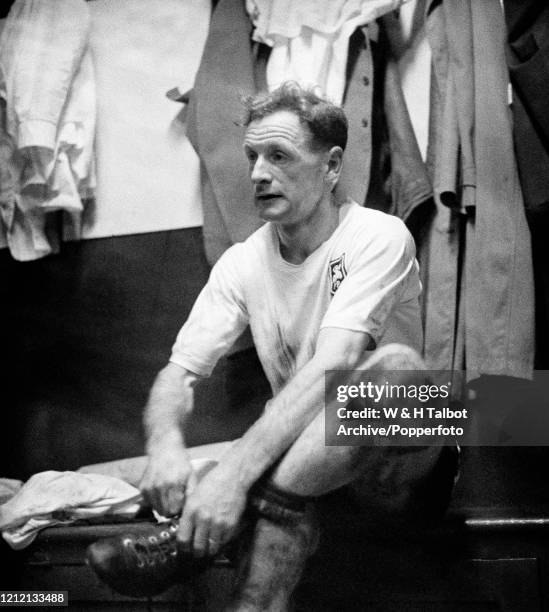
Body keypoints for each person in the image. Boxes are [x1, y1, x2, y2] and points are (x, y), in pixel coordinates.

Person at [87, 82, 457, 610]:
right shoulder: (242, 262)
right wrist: (164, 442)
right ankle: (267, 505)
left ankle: (229, 516)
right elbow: (179, 374)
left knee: (396, 369)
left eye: (279, 156)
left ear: (331, 167)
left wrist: (230, 480)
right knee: (257, 595)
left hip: (404, 461)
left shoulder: (380, 234)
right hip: (306, 470)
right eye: (252, 156)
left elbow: (339, 360)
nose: (259, 172)